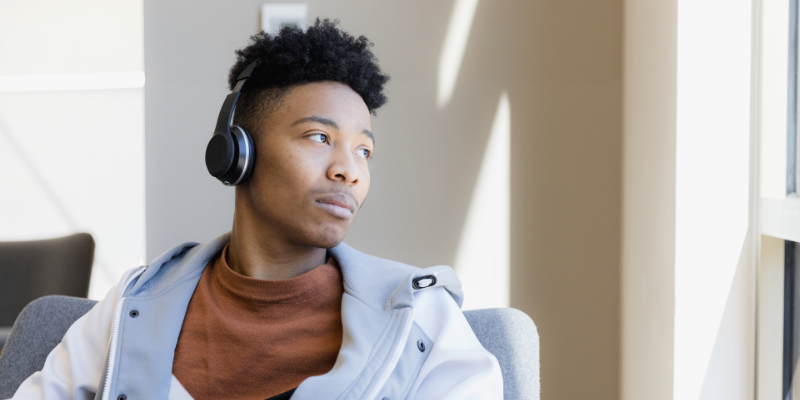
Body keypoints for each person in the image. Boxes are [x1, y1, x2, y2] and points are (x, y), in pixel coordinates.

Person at [8, 19, 502, 400]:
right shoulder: (138, 301)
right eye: (319, 137)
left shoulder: (421, 315)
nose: (348, 170)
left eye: (363, 151)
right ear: (237, 151)